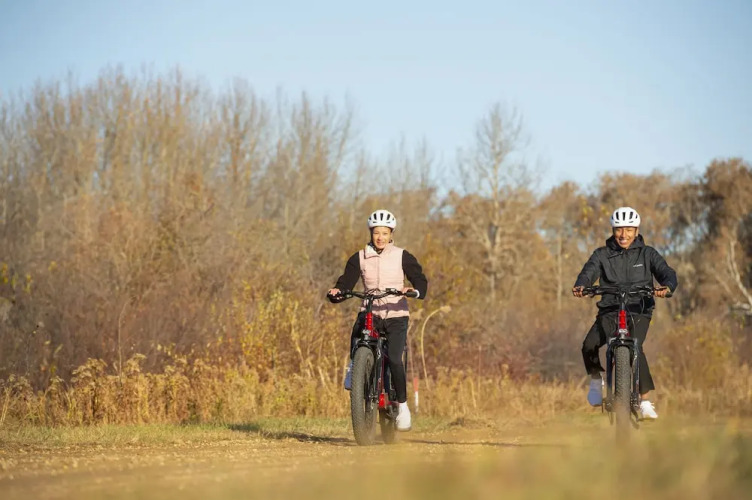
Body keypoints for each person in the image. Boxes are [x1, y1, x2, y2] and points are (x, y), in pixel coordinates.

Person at [327, 209, 428, 431]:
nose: (380, 237)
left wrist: (414, 290)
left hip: (396, 314)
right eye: (376, 233)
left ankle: (402, 407)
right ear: (371, 233)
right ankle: (355, 369)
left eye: (384, 233)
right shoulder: (359, 257)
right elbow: (346, 282)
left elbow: (420, 280)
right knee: (358, 333)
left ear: (391, 234)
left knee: (395, 358)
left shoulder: (402, 256)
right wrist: (338, 291)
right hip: (371, 311)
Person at [572, 206, 677, 420]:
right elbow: (588, 272)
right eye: (619, 229)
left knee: (635, 346)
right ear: (613, 230)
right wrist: (582, 285)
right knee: (589, 345)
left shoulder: (648, 254)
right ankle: (596, 381)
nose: (623, 235)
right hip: (610, 309)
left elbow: (666, 272)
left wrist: (667, 286)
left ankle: (645, 401)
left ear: (636, 231)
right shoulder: (602, 255)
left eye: (629, 230)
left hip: (639, 310)